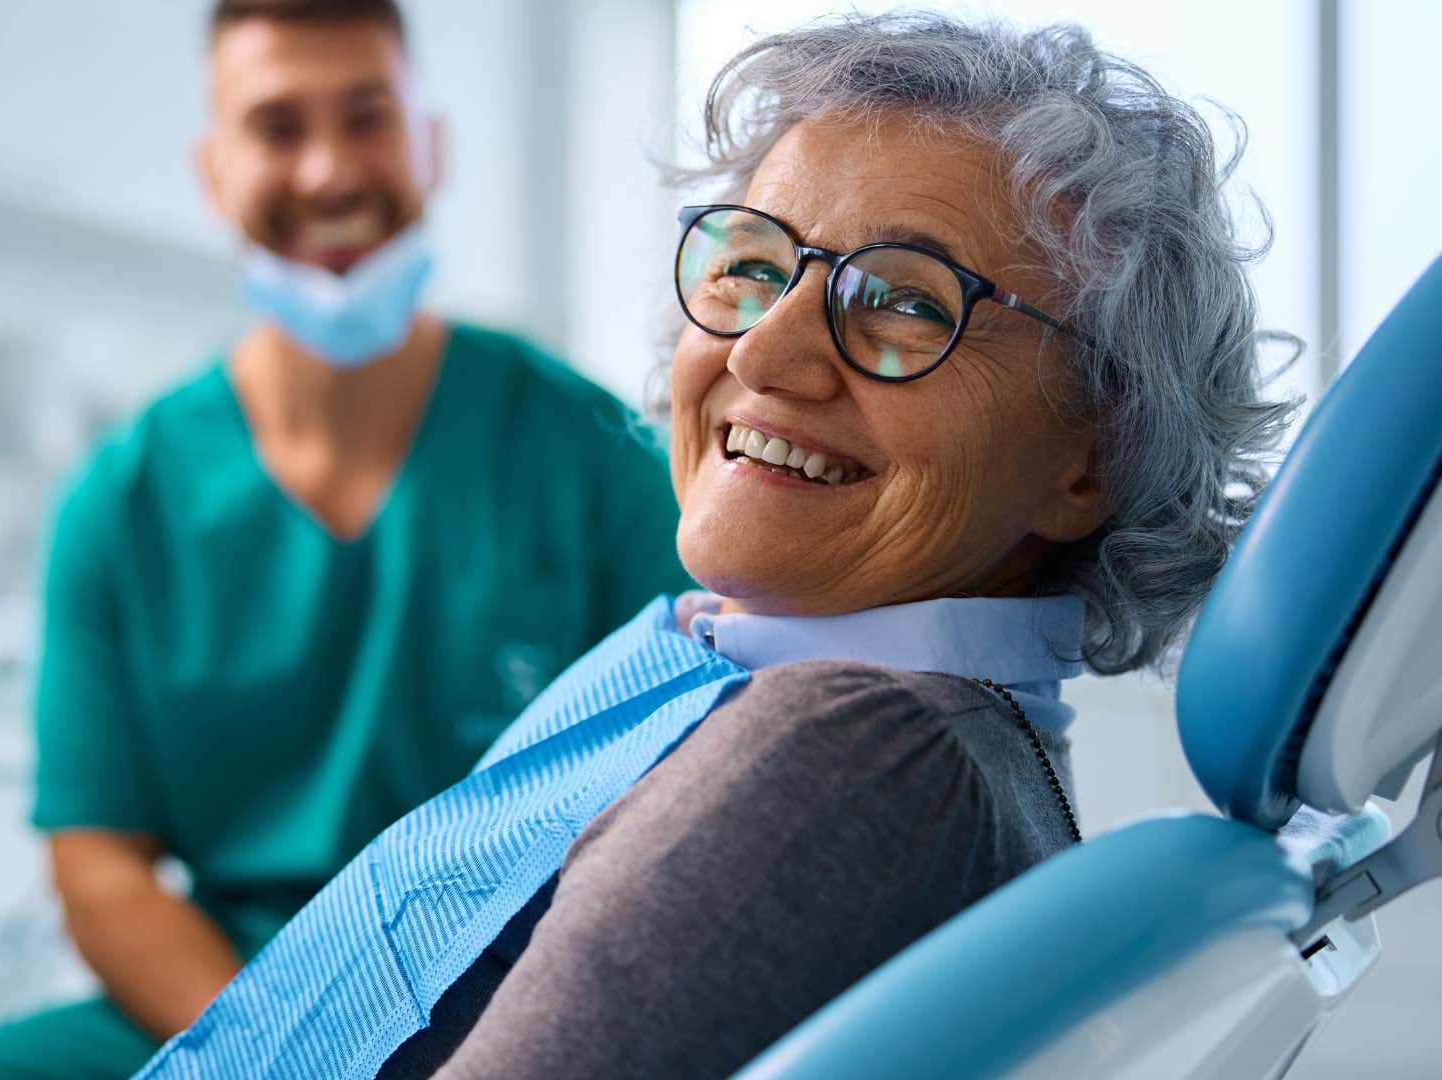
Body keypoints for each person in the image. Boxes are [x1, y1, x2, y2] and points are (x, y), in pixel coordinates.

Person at [134, 12, 1296, 1080]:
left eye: (904, 301)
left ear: (1089, 455)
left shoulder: (859, 755)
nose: (764, 353)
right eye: (751, 265)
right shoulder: (801, 692)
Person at [0, 2, 689, 1077]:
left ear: (429, 145)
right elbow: (100, 865)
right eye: (277, 128)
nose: (326, 171)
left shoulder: (590, 457)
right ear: (213, 171)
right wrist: (276, 1052)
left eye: (367, 119)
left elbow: (684, 793)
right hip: (223, 998)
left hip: (519, 993)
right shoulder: (122, 506)